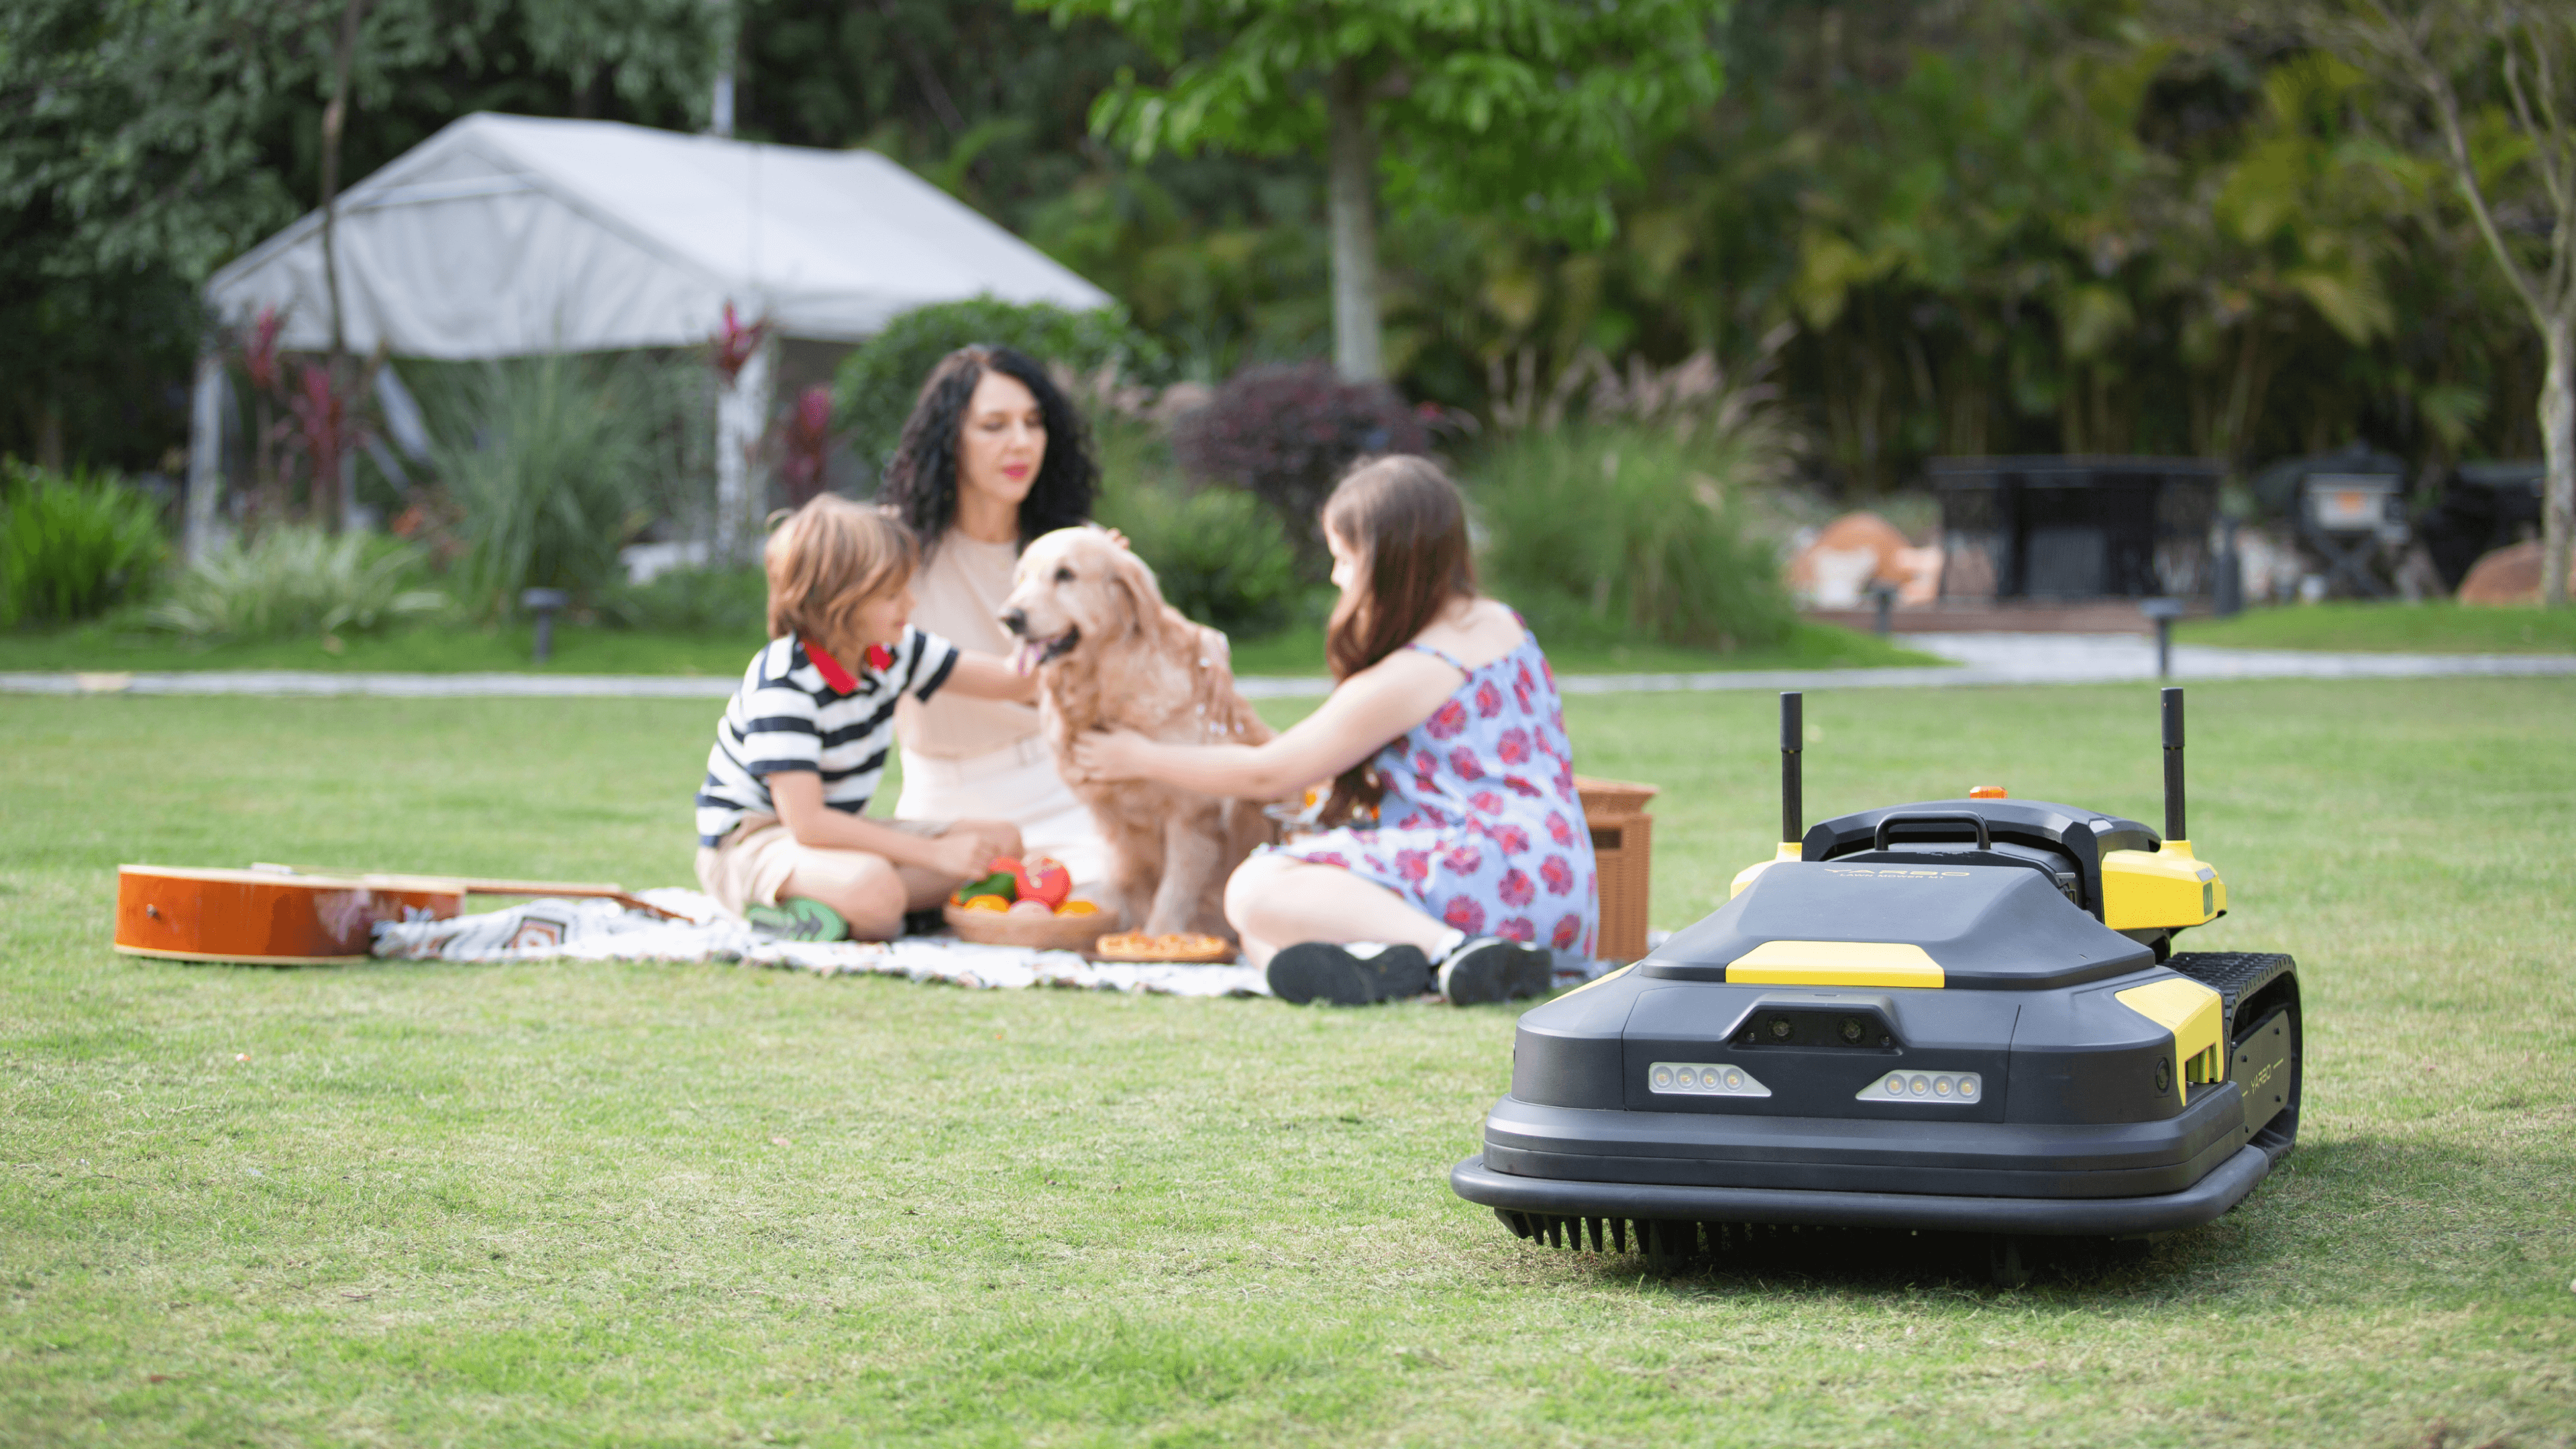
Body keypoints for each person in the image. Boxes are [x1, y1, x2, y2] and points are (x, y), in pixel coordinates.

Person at [1071, 455, 1597, 1006]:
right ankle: (1402, 969)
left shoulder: (1416, 671)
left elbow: (1269, 774)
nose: (1336, 577)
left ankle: (1455, 952)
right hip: (1561, 885)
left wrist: (1138, 756)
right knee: (1266, 934)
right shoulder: (1500, 622)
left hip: (1490, 874)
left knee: (1254, 889)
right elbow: (1304, 757)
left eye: (1343, 559)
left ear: (1386, 560)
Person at [694, 495, 1035, 941]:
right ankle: (798, 914)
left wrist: (1072, 609)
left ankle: (872, 916)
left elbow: (1012, 681)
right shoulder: (784, 681)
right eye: (892, 594)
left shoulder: (892, 653)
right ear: (838, 602)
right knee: (874, 886)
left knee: (1001, 843)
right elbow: (807, 822)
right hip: (752, 846)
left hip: (837, 839)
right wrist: (934, 857)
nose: (910, 604)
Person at [876, 344, 1110, 887]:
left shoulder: (1076, 552)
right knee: (882, 899)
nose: (1021, 443)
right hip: (942, 798)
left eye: (1033, 423)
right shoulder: (889, 551)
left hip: (1063, 786)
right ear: (948, 439)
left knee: (1105, 895)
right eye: (994, 425)